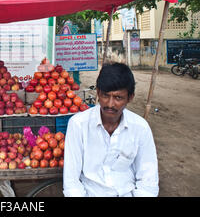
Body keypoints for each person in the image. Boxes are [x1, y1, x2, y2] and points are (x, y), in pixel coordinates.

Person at [63, 62, 159, 197]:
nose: (110, 104)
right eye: (105, 96)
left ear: (130, 97)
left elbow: (148, 179)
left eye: (118, 97)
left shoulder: (140, 128)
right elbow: (71, 180)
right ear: (98, 93)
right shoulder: (78, 124)